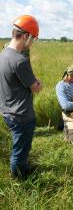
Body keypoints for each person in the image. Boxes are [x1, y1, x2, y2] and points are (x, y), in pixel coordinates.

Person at [0, 15, 42, 179]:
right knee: (20, 150)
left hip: (7, 111)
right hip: (21, 115)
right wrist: (38, 82)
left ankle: (22, 167)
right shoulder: (19, 60)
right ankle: (19, 179)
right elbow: (35, 87)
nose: (32, 43)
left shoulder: (3, 54)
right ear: (25, 36)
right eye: (33, 39)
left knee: (20, 146)